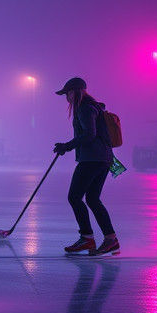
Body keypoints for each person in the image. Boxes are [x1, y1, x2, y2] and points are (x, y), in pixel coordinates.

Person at [53, 76, 119, 256]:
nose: (66, 97)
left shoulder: (84, 108)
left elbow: (90, 134)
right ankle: (110, 239)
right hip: (103, 159)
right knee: (92, 199)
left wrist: (66, 146)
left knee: (74, 197)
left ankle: (87, 238)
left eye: (67, 93)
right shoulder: (93, 106)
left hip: (92, 159)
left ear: (76, 91)